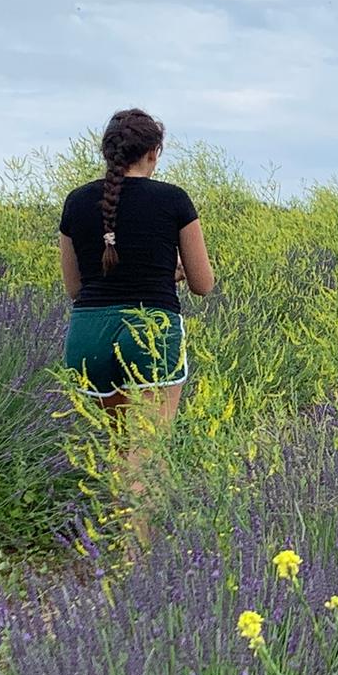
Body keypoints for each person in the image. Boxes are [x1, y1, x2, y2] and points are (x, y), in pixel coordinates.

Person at [59, 108, 214, 539]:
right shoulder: (174, 199)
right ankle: (136, 555)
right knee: (148, 451)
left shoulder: (76, 202)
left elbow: (74, 287)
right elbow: (203, 284)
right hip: (150, 330)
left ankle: (120, 540)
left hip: (88, 334)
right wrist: (169, 272)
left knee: (121, 447)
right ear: (153, 152)